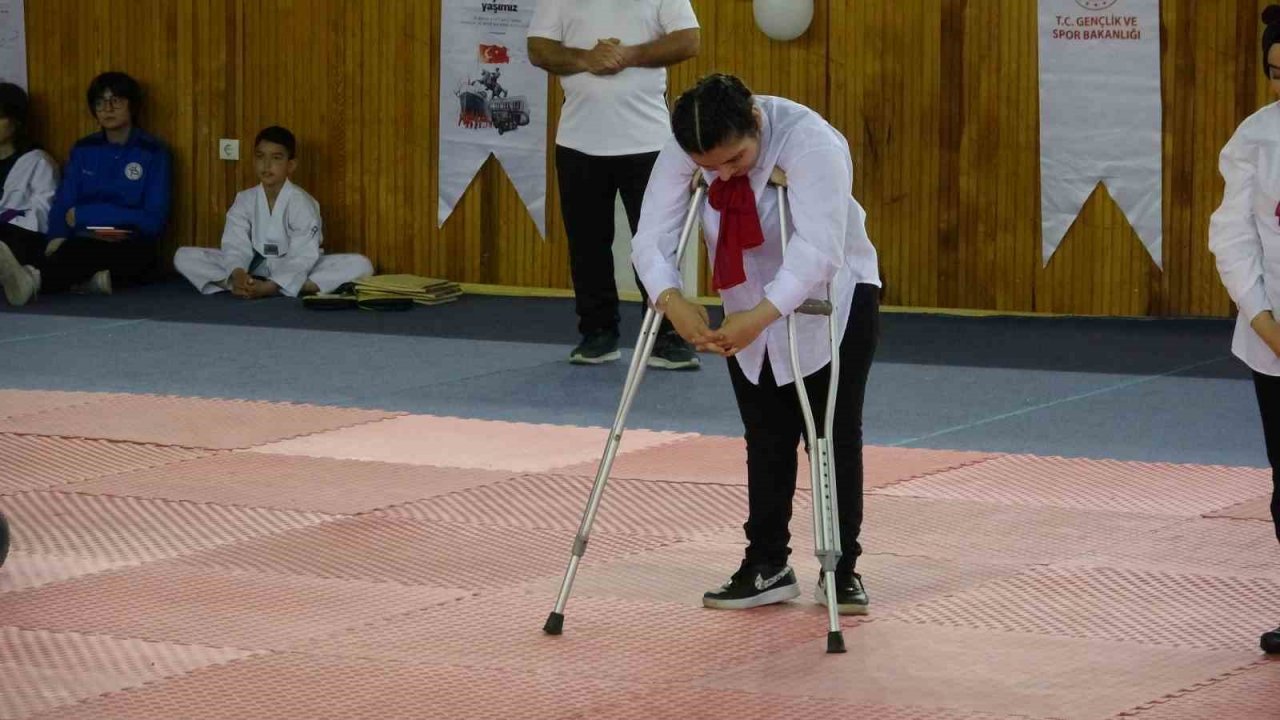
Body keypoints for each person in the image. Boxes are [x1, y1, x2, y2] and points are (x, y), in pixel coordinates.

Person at [632, 74, 882, 614]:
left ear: (757, 121)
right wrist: (671, 299)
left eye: (735, 159)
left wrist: (761, 316)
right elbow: (651, 233)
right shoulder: (686, 145)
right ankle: (766, 563)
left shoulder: (811, 141)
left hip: (832, 297)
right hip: (742, 293)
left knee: (832, 434)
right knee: (765, 433)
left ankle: (841, 568)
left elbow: (820, 250)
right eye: (709, 167)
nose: (722, 174)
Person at [528, 0, 702, 368]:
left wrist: (629, 55)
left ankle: (666, 336)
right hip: (578, 142)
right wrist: (586, 59)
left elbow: (689, 40)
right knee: (587, 244)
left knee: (657, 242)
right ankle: (597, 334)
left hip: (650, 144)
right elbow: (538, 48)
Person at [1208, 3, 1280, 656]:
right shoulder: (1256, 136)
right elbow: (1232, 236)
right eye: (1277, 72)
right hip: (1273, 340)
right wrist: (1264, 321)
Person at [0, 71, 171, 306]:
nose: (107, 109)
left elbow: (152, 220)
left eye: (115, 101)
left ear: (132, 105)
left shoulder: (152, 152)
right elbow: (64, 201)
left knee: (88, 249)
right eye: (100, 103)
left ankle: (32, 280)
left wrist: (87, 214)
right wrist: (56, 236)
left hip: (126, 238)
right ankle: (87, 281)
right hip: (78, 233)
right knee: (48, 245)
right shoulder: (84, 148)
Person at [173, 126, 372, 298]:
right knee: (183, 256)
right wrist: (238, 272)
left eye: (276, 158)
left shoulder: (302, 202)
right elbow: (235, 243)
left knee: (361, 265)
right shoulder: (245, 199)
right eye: (260, 157)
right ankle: (242, 285)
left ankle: (276, 287)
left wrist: (271, 285)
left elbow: (303, 254)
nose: (266, 165)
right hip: (252, 267)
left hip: (291, 267)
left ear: (290, 165)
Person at [0, 83, 59, 306]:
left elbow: (42, 214)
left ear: (16, 121)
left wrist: (4, 218)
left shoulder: (38, 161)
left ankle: (18, 276)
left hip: (23, 237)